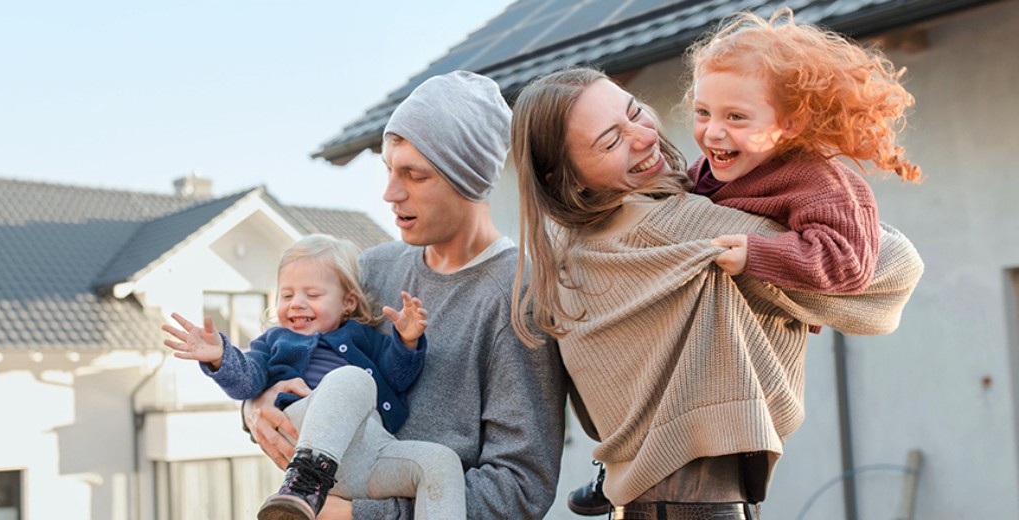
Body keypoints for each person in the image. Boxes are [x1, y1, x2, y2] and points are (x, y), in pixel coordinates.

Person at [509, 67, 923, 518]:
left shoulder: (568, 248)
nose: (644, 137)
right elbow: (895, 268)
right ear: (564, 178)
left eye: (634, 112)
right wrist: (807, 180)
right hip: (702, 502)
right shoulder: (678, 224)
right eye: (610, 141)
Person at [244, 71, 568, 519]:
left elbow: (519, 487)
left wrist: (356, 515)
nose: (390, 193)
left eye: (414, 175)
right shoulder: (373, 270)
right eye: (389, 170)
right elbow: (286, 351)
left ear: (469, 179)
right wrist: (255, 404)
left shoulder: (518, 299)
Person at [164, 234, 465, 520]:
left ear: (347, 302)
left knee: (441, 462)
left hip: (367, 452)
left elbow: (397, 378)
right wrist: (221, 357)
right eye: (287, 294)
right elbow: (248, 381)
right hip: (305, 430)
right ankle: (303, 483)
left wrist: (407, 342)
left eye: (312, 294)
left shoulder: (362, 337)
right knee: (353, 379)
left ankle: (310, 483)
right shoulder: (274, 341)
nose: (296, 302)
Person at [687, 8, 921, 295]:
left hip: (765, 330)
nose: (712, 132)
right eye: (702, 112)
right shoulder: (704, 169)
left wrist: (755, 254)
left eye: (736, 117)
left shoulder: (818, 183)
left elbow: (849, 265)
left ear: (790, 124)